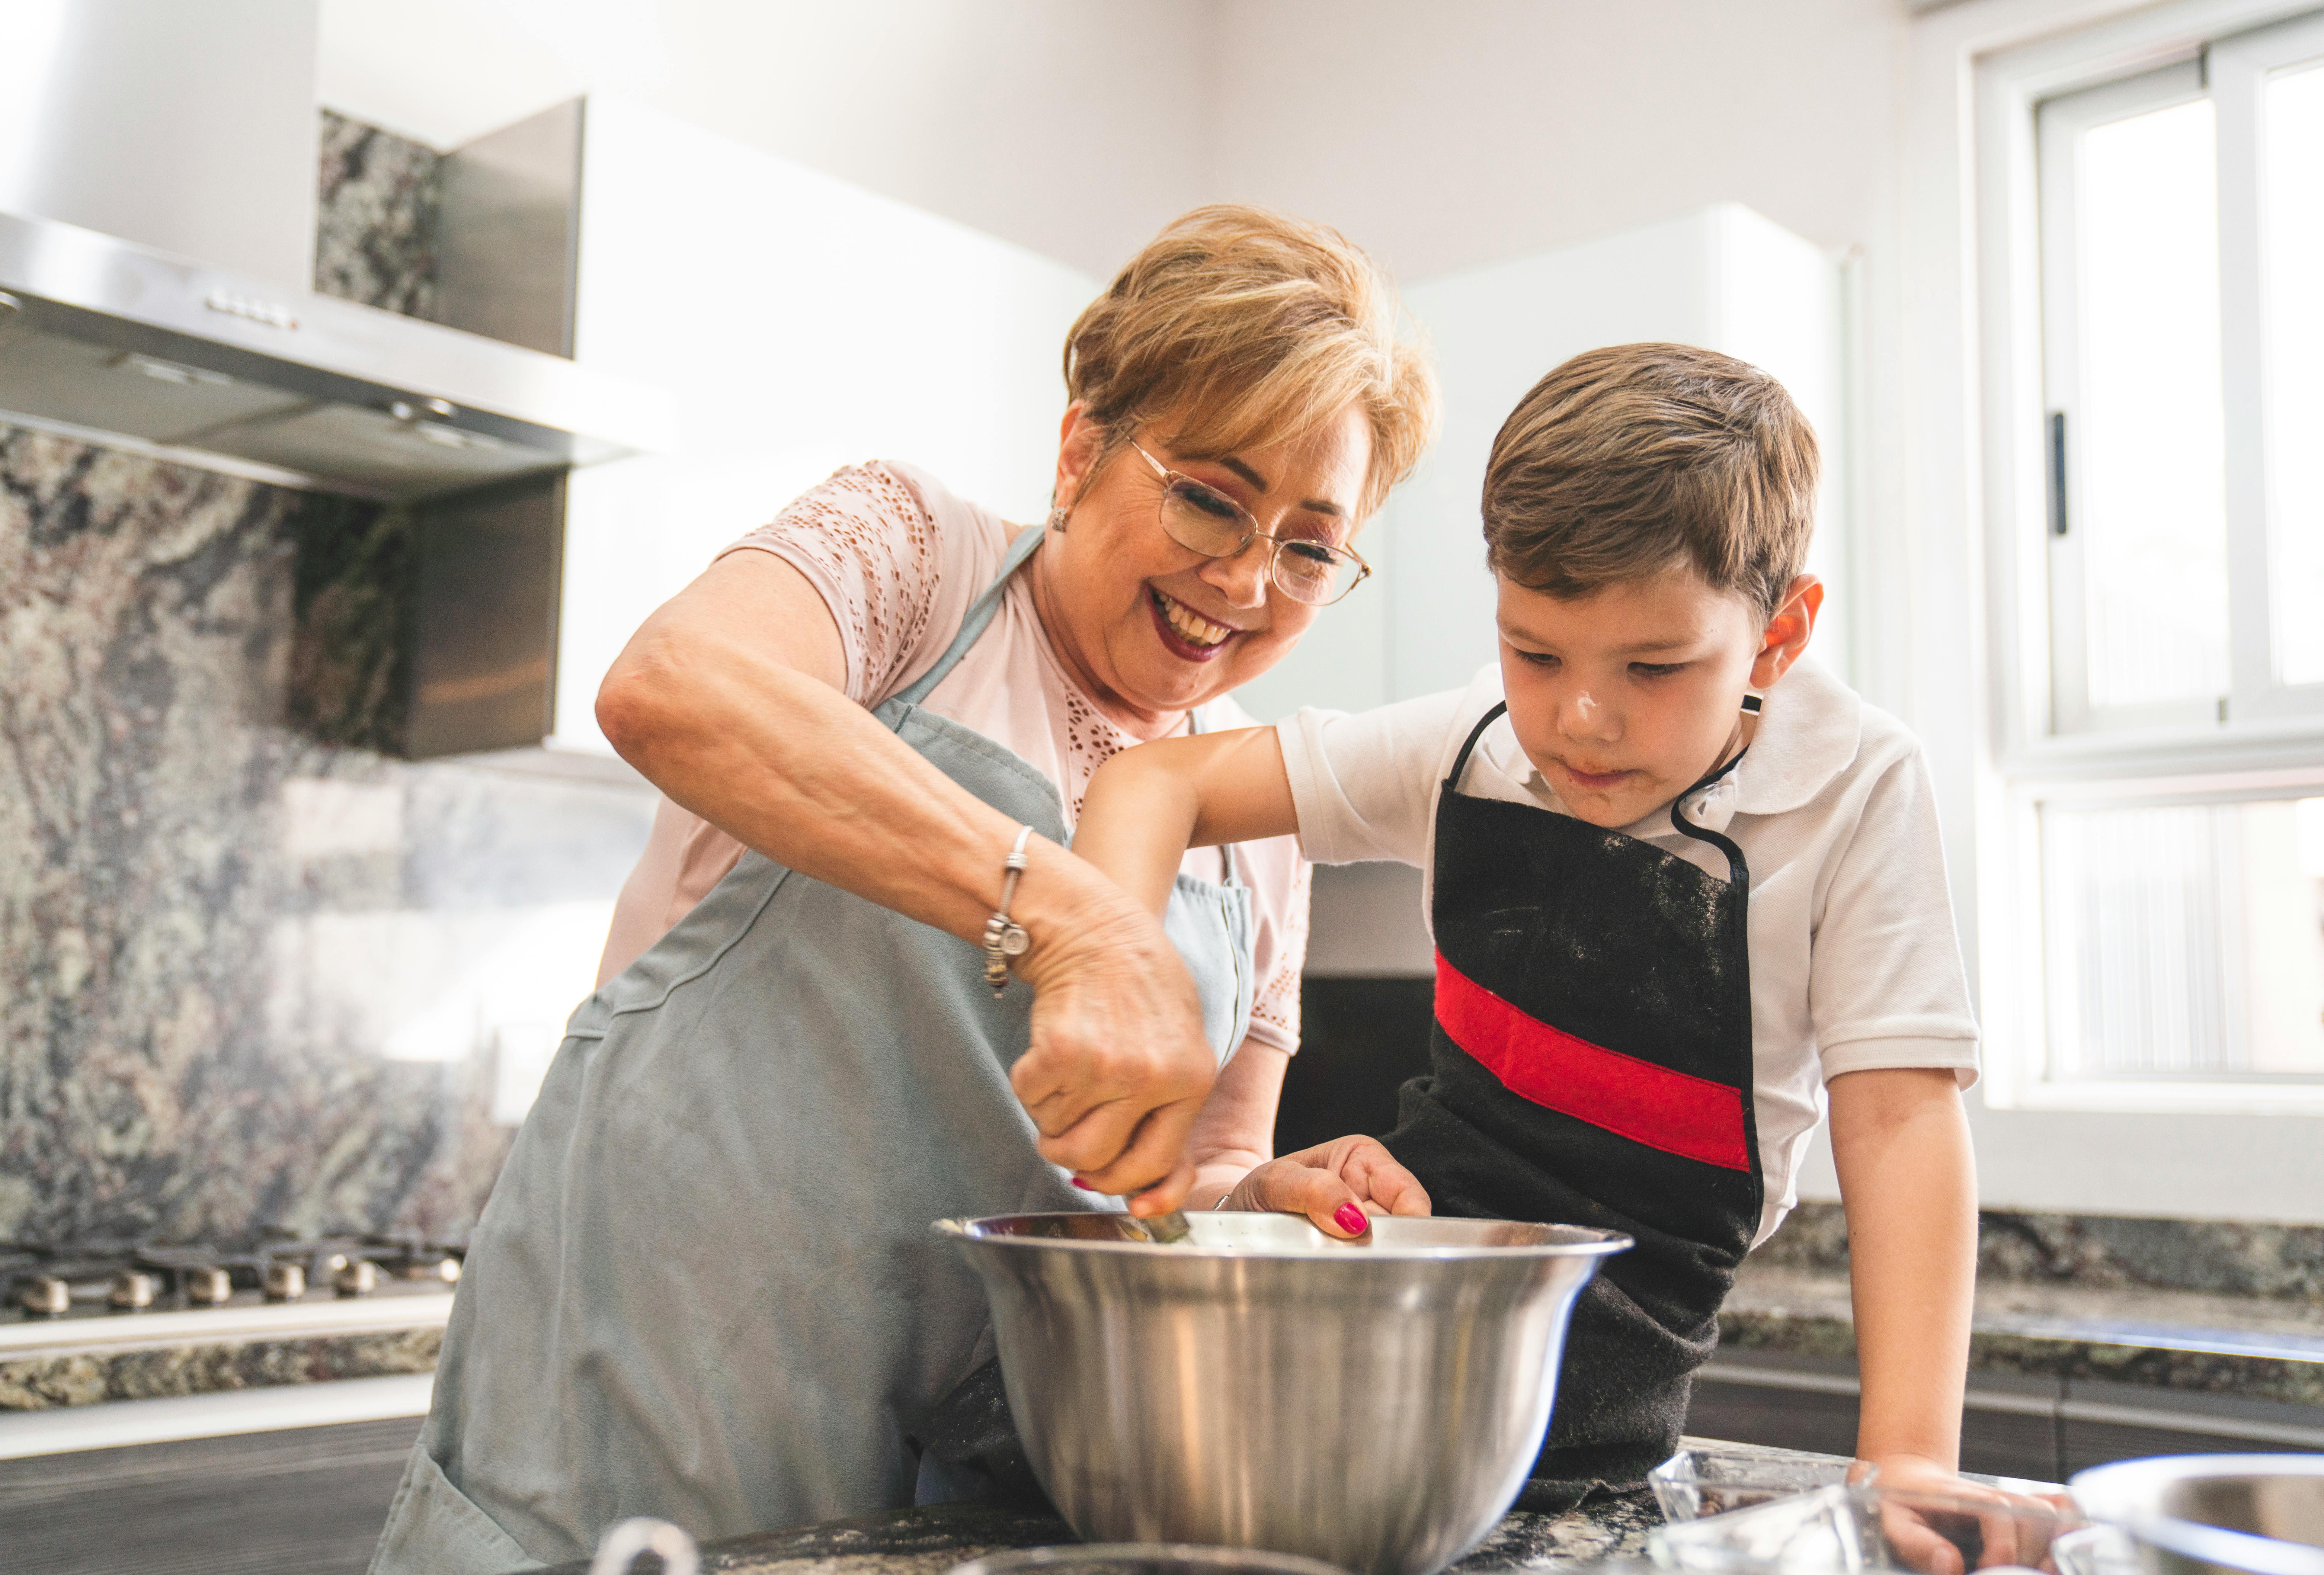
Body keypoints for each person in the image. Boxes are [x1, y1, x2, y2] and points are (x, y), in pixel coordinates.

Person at [367, 206, 1438, 1574]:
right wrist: (1068, 912)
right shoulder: (915, 561)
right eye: (1209, 497)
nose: (1243, 578)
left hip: (954, 1504)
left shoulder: (1253, 824)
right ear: (1080, 451)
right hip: (633, 1439)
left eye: (1305, 546)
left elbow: (1188, 1172)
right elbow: (673, 687)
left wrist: (1265, 1196)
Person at [1072, 343, 1983, 1506]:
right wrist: (1106, 965)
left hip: (1627, 1330)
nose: (1581, 721)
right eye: (1534, 652)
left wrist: (1908, 1464)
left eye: (1653, 667)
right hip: (1405, 1278)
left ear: (1779, 634)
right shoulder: (1475, 742)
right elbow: (1154, 783)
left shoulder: (1852, 787)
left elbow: (1901, 1119)